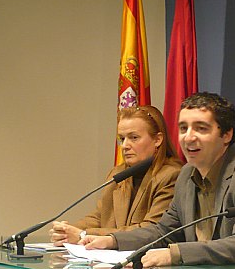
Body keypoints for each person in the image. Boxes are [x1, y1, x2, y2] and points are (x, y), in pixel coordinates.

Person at [82, 92, 235, 269]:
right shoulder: (187, 174)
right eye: (183, 128)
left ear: (227, 135)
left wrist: (174, 254)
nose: (189, 137)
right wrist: (113, 241)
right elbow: (164, 231)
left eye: (201, 128)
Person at [49, 105, 182, 246]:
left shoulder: (171, 175)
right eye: (122, 139)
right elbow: (100, 216)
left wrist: (83, 235)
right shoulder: (118, 174)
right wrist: (66, 231)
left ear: (158, 140)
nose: (125, 145)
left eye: (134, 137)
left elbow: (152, 230)